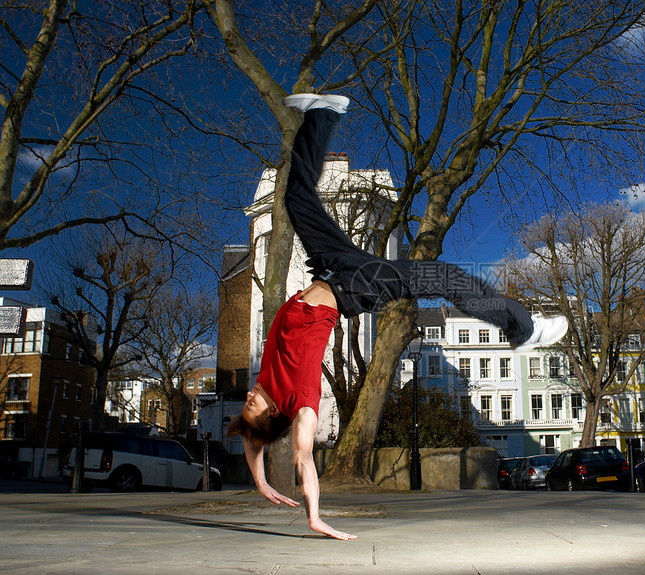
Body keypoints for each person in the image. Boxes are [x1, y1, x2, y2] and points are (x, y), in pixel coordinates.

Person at [228, 93, 568, 541]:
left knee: (294, 199)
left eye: (247, 401)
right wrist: (313, 516)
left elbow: (253, 446)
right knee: (439, 277)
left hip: (330, 263)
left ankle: (323, 112)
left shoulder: (267, 388)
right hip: (356, 286)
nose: (249, 395)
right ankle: (523, 330)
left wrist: (259, 480)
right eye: (253, 405)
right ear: (272, 415)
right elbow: (303, 457)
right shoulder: (301, 405)